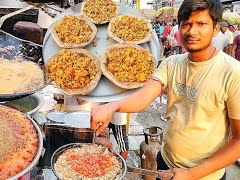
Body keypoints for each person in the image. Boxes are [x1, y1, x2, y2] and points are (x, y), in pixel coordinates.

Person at [91, 0, 240, 179]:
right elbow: (145, 95)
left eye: (201, 24)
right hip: (165, 162)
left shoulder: (233, 72)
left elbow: (238, 140)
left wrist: (192, 174)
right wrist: (111, 106)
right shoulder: (171, 64)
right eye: (186, 24)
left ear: (216, 28)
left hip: (206, 175)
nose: (192, 31)